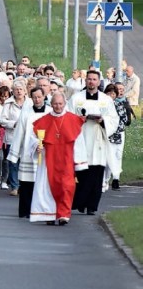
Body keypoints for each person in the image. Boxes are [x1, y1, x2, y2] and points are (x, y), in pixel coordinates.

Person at [30, 92, 85, 225]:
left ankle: (63, 215)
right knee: (47, 187)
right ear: (51, 104)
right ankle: (49, 214)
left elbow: (79, 142)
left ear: (65, 104)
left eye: (60, 104)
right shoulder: (43, 121)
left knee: (66, 186)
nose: (58, 106)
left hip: (67, 158)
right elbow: (33, 140)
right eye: (55, 103)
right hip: (48, 159)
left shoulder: (73, 120)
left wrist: (79, 163)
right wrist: (36, 147)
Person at [68, 70, 119, 216]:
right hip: (81, 138)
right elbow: (68, 116)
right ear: (86, 81)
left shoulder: (106, 100)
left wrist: (103, 121)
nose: (91, 82)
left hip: (98, 140)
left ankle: (92, 206)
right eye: (89, 79)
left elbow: (113, 119)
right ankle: (81, 203)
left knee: (96, 175)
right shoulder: (76, 99)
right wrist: (79, 119)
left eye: (94, 79)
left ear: (98, 82)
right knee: (82, 174)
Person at [7, 87, 49, 217]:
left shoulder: (50, 112)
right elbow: (19, 133)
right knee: (26, 184)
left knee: (42, 185)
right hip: (28, 154)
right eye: (34, 97)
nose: (37, 100)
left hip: (45, 153)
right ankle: (25, 211)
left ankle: (40, 210)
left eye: (39, 97)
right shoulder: (26, 113)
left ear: (44, 97)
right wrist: (14, 154)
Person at [103, 84, 130, 191]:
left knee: (117, 156)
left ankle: (116, 178)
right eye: (108, 93)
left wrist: (114, 128)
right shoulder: (102, 105)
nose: (110, 95)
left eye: (113, 93)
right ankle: (105, 179)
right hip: (105, 134)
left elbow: (124, 120)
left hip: (118, 134)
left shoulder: (119, 105)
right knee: (107, 158)